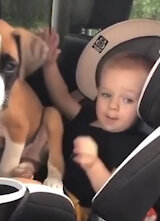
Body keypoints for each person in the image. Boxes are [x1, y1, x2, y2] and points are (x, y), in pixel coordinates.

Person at [40, 28, 153, 208]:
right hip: (53, 186)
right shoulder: (87, 116)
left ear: (144, 104)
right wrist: (49, 65)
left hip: (79, 210)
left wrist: (93, 164)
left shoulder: (132, 145)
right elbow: (61, 98)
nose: (113, 105)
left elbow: (113, 197)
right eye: (107, 95)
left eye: (127, 99)